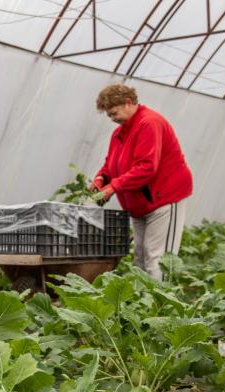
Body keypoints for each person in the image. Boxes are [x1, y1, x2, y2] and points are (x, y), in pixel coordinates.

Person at [90, 84, 193, 280]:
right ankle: (144, 307)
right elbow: (111, 165)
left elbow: (147, 167)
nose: (112, 119)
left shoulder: (149, 123)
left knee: (158, 260)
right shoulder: (120, 133)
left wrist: (114, 187)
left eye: (114, 113)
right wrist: (100, 180)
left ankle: (162, 307)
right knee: (140, 259)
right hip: (139, 205)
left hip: (163, 199)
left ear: (128, 103)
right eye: (109, 115)